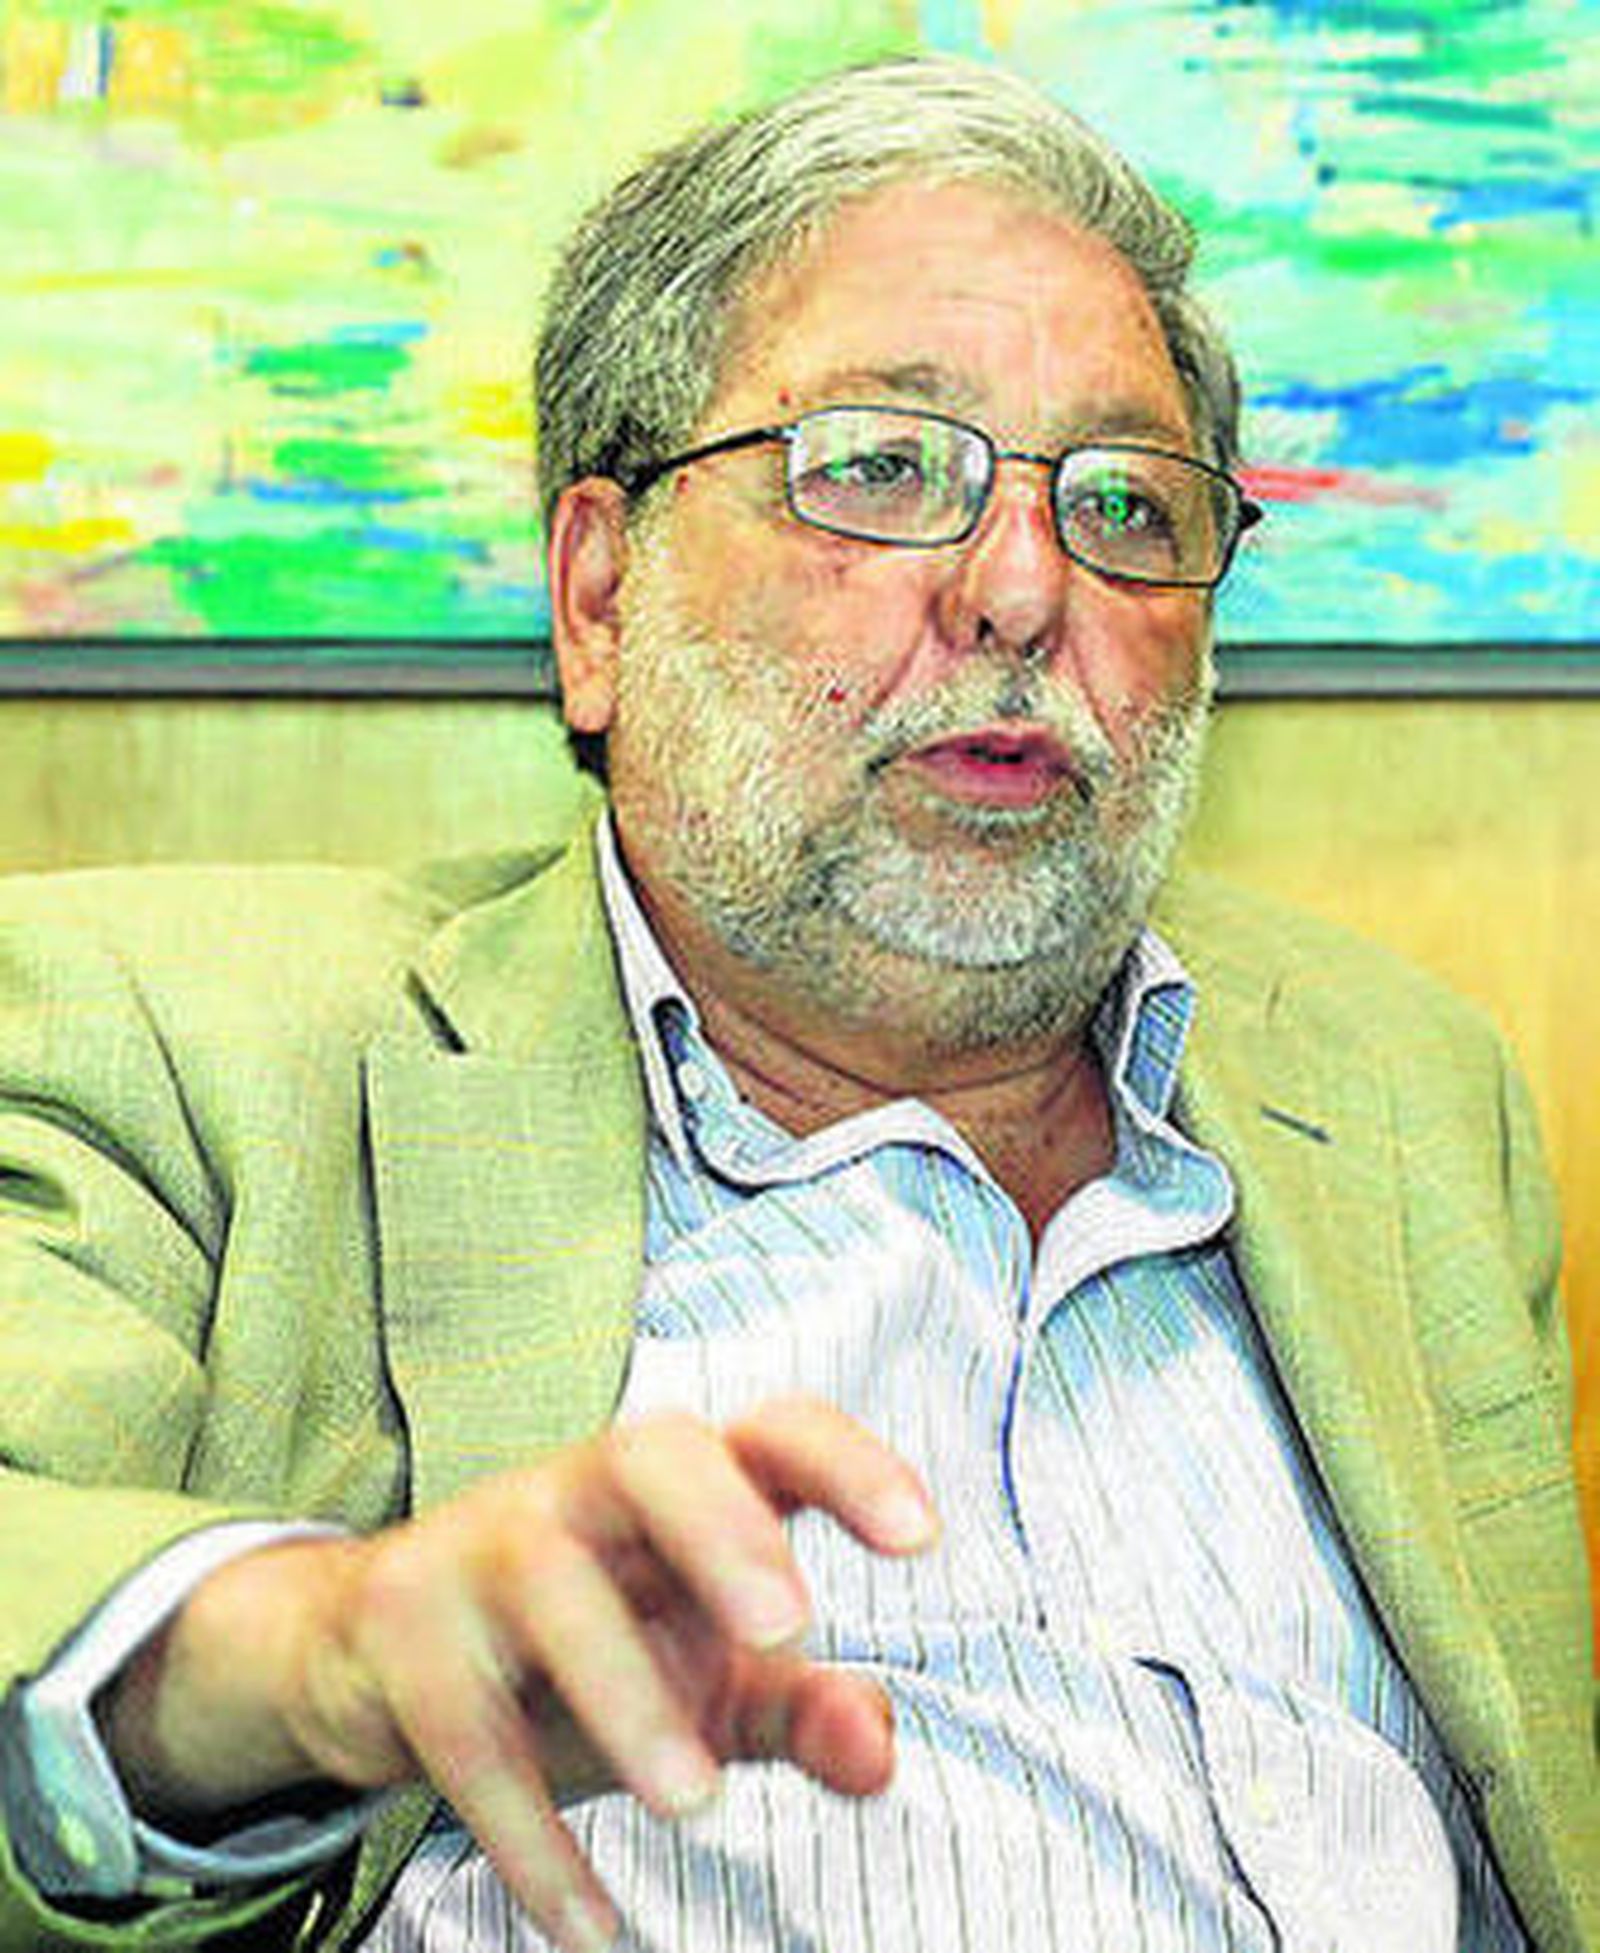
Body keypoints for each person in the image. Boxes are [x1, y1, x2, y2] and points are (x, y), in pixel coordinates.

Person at [0, 53, 1594, 1953]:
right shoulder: (177, 1037)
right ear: (601, 598)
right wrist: (309, 1649)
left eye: (1126, 501)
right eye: (882, 467)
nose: (1024, 589)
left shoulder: (1403, 1089)